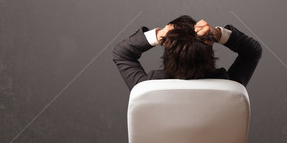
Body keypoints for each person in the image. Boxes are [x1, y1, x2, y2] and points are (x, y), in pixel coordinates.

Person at [112, 15, 262, 90]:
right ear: (209, 53)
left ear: (167, 54)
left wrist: (158, 35)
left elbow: (122, 53)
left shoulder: (146, 87)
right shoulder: (230, 86)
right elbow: (252, 51)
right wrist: (217, 34)